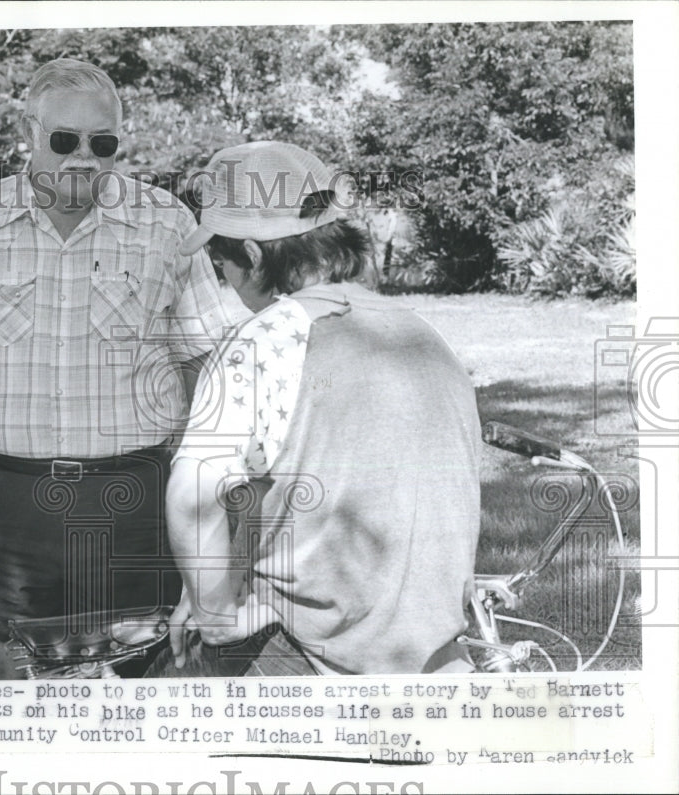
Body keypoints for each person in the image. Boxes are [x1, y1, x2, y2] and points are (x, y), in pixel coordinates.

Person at [0, 58, 230, 679]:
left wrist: (215, 479)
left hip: (135, 502)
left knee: (139, 682)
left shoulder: (168, 223)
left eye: (104, 144)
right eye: (65, 141)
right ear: (30, 130)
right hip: (3, 504)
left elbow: (208, 360)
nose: (85, 159)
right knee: (5, 681)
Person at [149, 141, 482, 676]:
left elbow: (193, 497)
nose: (223, 280)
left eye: (219, 262)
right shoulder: (424, 338)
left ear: (253, 256)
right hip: (436, 658)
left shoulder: (260, 342)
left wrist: (214, 610)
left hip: (317, 661)